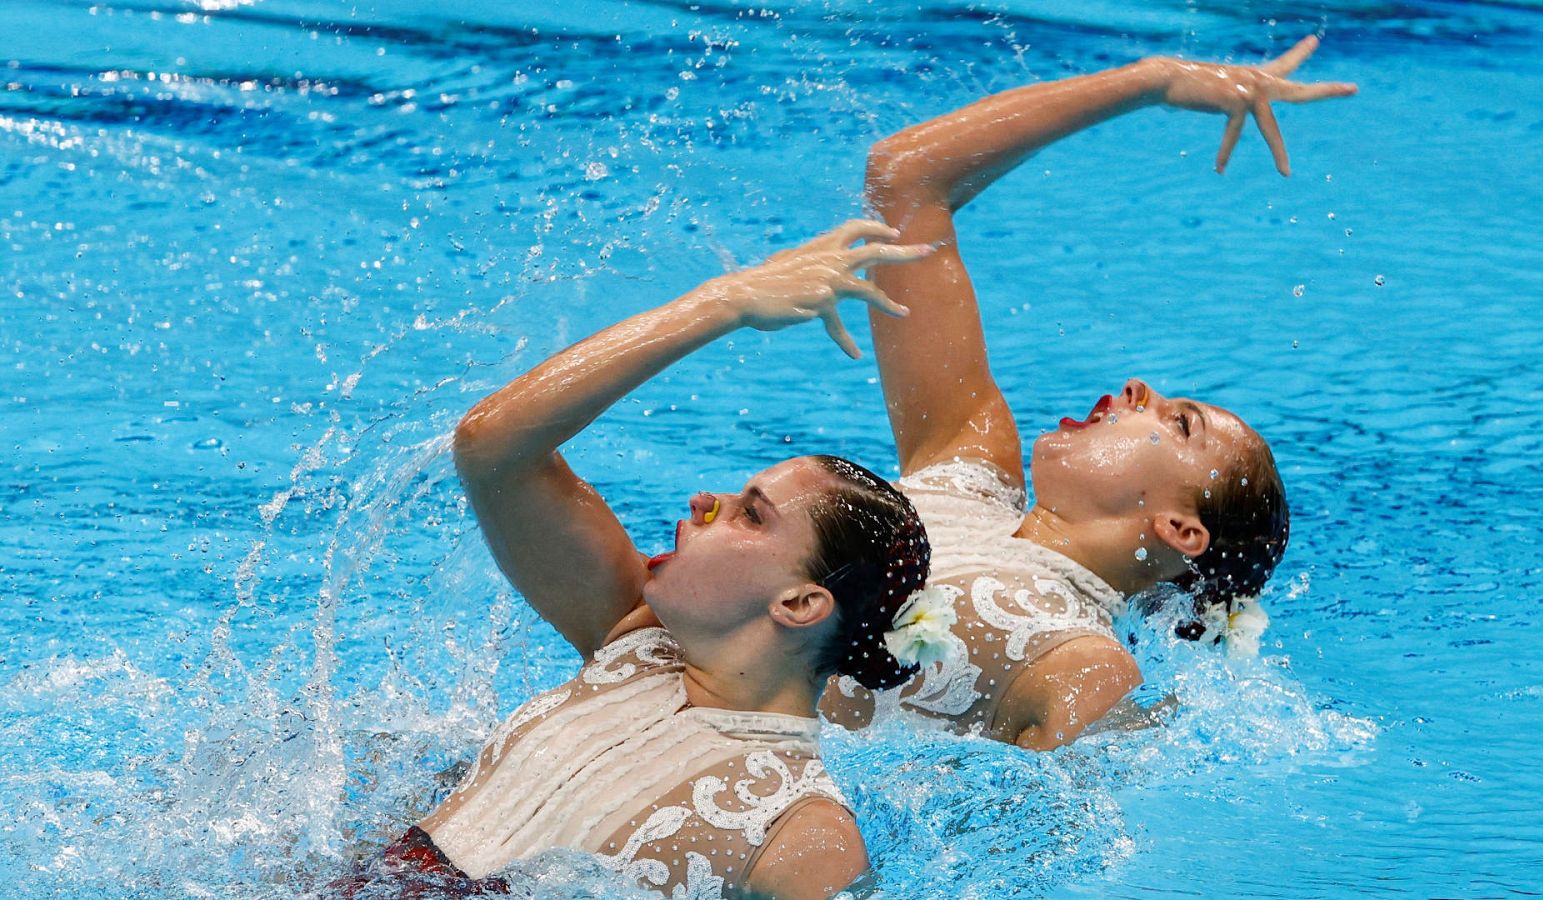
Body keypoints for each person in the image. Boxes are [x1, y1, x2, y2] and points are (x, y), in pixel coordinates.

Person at [330, 222, 948, 899]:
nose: (704, 501)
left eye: (750, 512)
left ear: (799, 604)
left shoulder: (804, 835)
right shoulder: (632, 638)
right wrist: (724, 302)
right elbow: (493, 445)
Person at [819, 37, 1357, 750]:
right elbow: (904, 179)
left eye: (1179, 423)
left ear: (1180, 530)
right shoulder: (964, 459)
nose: (1138, 387)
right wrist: (1153, 82)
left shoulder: (1085, 665)